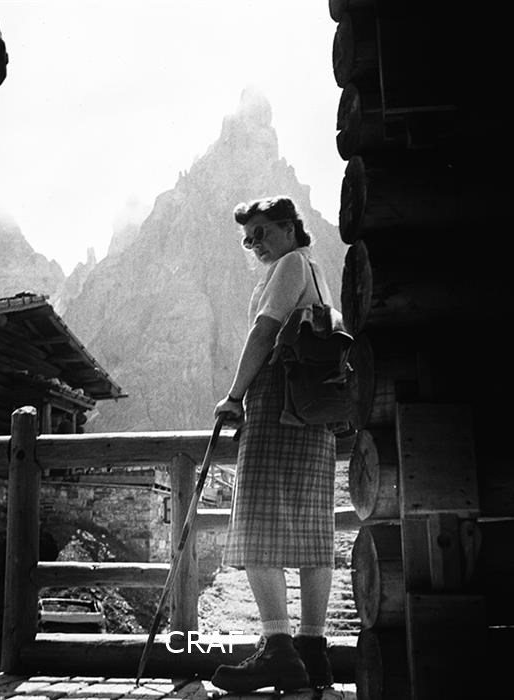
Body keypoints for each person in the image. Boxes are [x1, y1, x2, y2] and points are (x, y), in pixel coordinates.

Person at [211, 196, 336, 693]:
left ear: (288, 227)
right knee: (312, 529)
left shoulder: (288, 265)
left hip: (275, 401)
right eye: (248, 239)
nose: (253, 244)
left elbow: (264, 332)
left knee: (255, 524)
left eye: (260, 232)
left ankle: (278, 650)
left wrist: (234, 395)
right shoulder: (316, 270)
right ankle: (312, 651)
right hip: (313, 410)